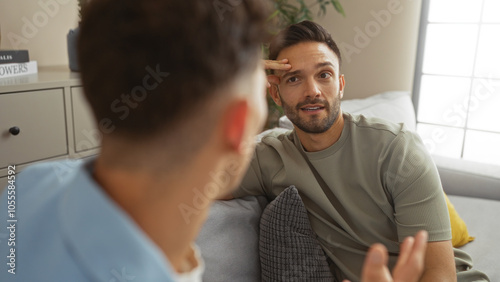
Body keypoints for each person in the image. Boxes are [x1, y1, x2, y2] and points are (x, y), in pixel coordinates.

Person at [0, 1, 427, 281]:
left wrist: (224, 69)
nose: (310, 91)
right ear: (240, 124)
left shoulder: (24, 189)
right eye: (284, 81)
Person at [230, 20, 487, 282]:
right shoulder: (269, 157)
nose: (313, 91)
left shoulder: (397, 148)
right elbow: (195, 180)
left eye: (324, 75)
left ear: (340, 85)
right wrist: (232, 85)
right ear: (275, 93)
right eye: (294, 78)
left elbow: (438, 272)